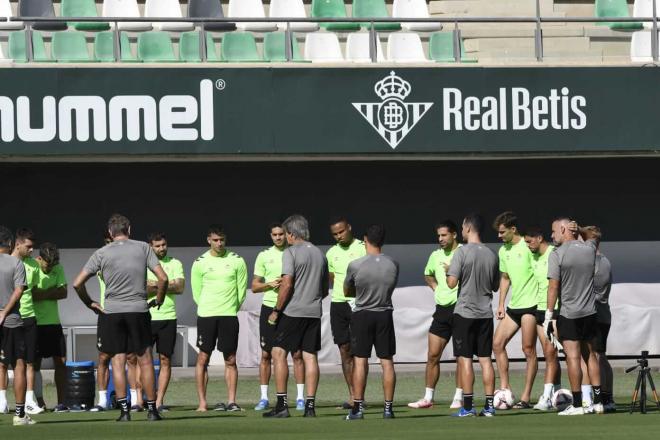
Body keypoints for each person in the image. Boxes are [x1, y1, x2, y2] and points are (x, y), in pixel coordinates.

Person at [73, 214, 168, 422]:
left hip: (112, 312)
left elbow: (77, 283)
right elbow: (163, 278)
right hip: (138, 310)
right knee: (144, 359)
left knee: (117, 360)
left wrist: (90, 303)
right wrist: (159, 298)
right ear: (130, 229)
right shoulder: (143, 247)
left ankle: (124, 412)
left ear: (109, 232)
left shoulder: (101, 253)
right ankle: (152, 410)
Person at [263, 215, 328, 418]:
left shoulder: (290, 253)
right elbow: (325, 289)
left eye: (286, 234)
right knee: (310, 356)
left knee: (278, 353)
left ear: (291, 234)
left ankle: (282, 405)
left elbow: (287, 284)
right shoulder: (320, 253)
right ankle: (310, 406)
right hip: (314, 312)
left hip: (293, 311)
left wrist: (276, 310)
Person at [544, 217, 602, 416]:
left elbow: (553, 287)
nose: (551, 236)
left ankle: (577, 405)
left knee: (573, 358)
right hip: (590, 313)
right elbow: (596, 234)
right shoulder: (588, 249)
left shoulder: (557, 253)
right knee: (591, 356)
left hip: (569, 314)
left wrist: (549, 316)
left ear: (562, 229)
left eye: (553, 231)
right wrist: (580, 229)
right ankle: (599, 402)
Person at [446, 214, 499, 417]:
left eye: (462, 227)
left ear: (468, 228)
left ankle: (467, 407)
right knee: (486, 359)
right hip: (485, 314)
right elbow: (495, 286)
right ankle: (489, 406)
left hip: (465, 313)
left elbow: (451, 283)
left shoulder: (461, 252)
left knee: (466, 359)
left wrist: (448, 273)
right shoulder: (492, 254)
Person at [344, 224, 399, 420]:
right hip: (384, 313)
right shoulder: (393, 264)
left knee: (360, 361)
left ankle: (357, 409)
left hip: (362, 315)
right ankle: (388, 409)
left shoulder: (356, 264)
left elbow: (346, 291)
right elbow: (390, 288)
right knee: (387, 362)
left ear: (365, 240)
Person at [191, 225, 247, 412]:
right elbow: (196, 293)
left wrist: (230, 308)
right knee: (203, 358)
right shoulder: (200, 262)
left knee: (230, 359)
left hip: (228, 316)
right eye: (215, 240)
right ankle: (202, 403)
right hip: (207, 315)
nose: (219, 243)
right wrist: (208, 307)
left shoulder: (237, 260)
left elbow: (241, 293)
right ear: (209, 240)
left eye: (222, 240)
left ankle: (232, 401)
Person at [409, 220, 464, 409]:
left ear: (454, 234)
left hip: (460, 309)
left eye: (444, 235)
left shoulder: (464, 252)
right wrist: (437, 288)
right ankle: (428, 398)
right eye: (439, 236)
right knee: (433, 355)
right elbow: (428, 274)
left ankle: (459, 397)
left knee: (461, 357)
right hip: (441, 310)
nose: (440, 239)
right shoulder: (435, 255)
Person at [251, 223, 306, 412]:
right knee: (266, 354)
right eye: (274, 234)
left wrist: (287, 284)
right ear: (270, 235)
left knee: (297, 354)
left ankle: (300, 398)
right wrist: (270, 284)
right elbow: (255, 286)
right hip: (269, 308)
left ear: (287, 235)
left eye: (281, 234)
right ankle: (264, 397)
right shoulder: (264, 256)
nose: (278, 237)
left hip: (291, 308)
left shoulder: (295, 253)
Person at [491, 212, 539, 408]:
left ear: (513, 229)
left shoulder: (527, 247)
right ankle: (505, 389)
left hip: (531, 306)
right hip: (514, 306)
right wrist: (501, 303)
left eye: (502, 232)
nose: (499, 236)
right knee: (497, 344)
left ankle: (526, 398)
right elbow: (505, 277)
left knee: (528, 350)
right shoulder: (503, 251)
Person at [326, 216, 366, 408]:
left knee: (360, 351)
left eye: (341, 232)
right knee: (344, 350)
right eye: (335, 234)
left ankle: (361, 397)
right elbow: (332, 277)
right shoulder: (331, 252)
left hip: (359, 303)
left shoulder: (362, 247)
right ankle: (352, 395)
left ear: (349, 228)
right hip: (338, 304)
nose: (338, 236)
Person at [523, 226, 561, 411]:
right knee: (550, 354)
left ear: (539, 238)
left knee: (550, 353)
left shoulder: (555, 253)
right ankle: (558, 394)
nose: (528, 245)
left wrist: (551, 311)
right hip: (539, 309)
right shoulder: (533, 256)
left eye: (530, 241)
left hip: (553, 311)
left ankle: (546, 398)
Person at [0, 225, 35, 425]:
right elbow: (19, 290)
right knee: (19, 364)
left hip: (9, 321)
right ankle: (20, 415)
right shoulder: (16, 264)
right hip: (12, 321)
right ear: (11, 244)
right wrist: (4, 312)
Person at [147, 232, 185, 412]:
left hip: (168, 318)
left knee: (165, 360)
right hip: (146, 317)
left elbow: (180, 287)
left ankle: (159, 401)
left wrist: (155, 284)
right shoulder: (143, 263)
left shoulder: (175, 263)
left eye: (163, 245)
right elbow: (141, 288)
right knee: (143, 360)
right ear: (150, 247)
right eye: (157, 246)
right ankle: (142, 400)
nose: (161, 248)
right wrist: (165, 283)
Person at [580, 226, 615, 413]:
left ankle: (600, 398)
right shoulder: (604, 261)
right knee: (601, 356)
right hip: (602, 314)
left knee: (594, 357)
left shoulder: (597, 262)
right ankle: (607, 398)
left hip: (596, 315)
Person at [10, 229, 45, 414]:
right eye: (28, 247)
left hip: (30, 317)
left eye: (33, 247)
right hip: (11, 318)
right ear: (18, 244)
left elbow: (34, 292)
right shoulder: (7, 263)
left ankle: (30, 401)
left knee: (30, 361)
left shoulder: (34, 265)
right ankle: (4, 401)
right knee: (8, 362)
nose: (32, 250)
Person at [32, 243, 68, 412]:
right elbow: (32, 294)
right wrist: (51, 291)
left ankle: (61, 403)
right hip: (35, 324)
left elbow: (64, 292)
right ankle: (39, 401)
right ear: (39, 259)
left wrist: (43, 294)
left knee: (61, 363)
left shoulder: (58, 268)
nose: (50, 268)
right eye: (48, 264)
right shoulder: (31, 267)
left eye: (53, 264)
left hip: (54, 324)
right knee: (34, 365)